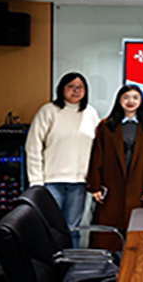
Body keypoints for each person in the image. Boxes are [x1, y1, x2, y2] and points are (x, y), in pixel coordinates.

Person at [25, 72, 100, 247]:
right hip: (51, 181)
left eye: (80, 87)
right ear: (61, 89)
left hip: (79, 182)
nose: (75, 90)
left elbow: (99, 148)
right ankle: (50, 263)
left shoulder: (90, 113)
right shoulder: (48, 111)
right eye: (70, 86)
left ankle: (71, 261)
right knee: (49, 228)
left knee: (72, 228)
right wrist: (36, 181)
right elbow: (33, 146)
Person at [86, 85, 143, 251]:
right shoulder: (106, 126)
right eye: (126, 97)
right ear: (119, 101)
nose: (130, 101)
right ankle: (108, 262)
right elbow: (97, 156)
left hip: (138, 184)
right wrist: (95, 186)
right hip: (111, 183)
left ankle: (133, 261)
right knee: (108, 229)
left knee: (136, 230)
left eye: (135, 98)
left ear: (141, 101)